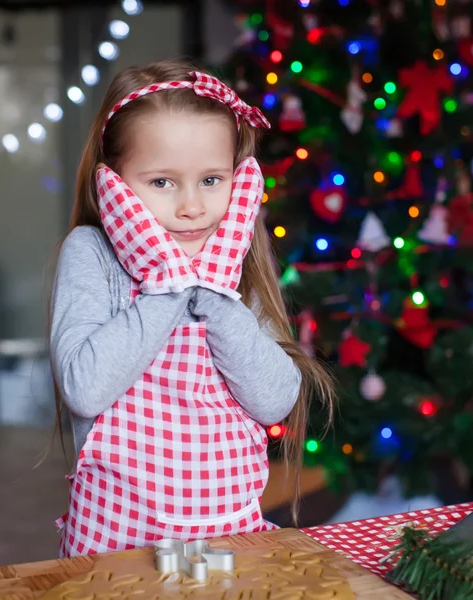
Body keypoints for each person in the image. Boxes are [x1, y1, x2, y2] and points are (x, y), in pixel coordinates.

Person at [50, 59, 335, 558]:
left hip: (229, 541)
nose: (192, 207)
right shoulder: (91, 252)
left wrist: (218, 294)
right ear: (113, 184)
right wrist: (167, 284)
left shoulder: (236, 258)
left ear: (239, 180)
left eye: (211, 180)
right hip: (112, 545)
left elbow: (274, 400)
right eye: (161, 182)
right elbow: (84, 386)